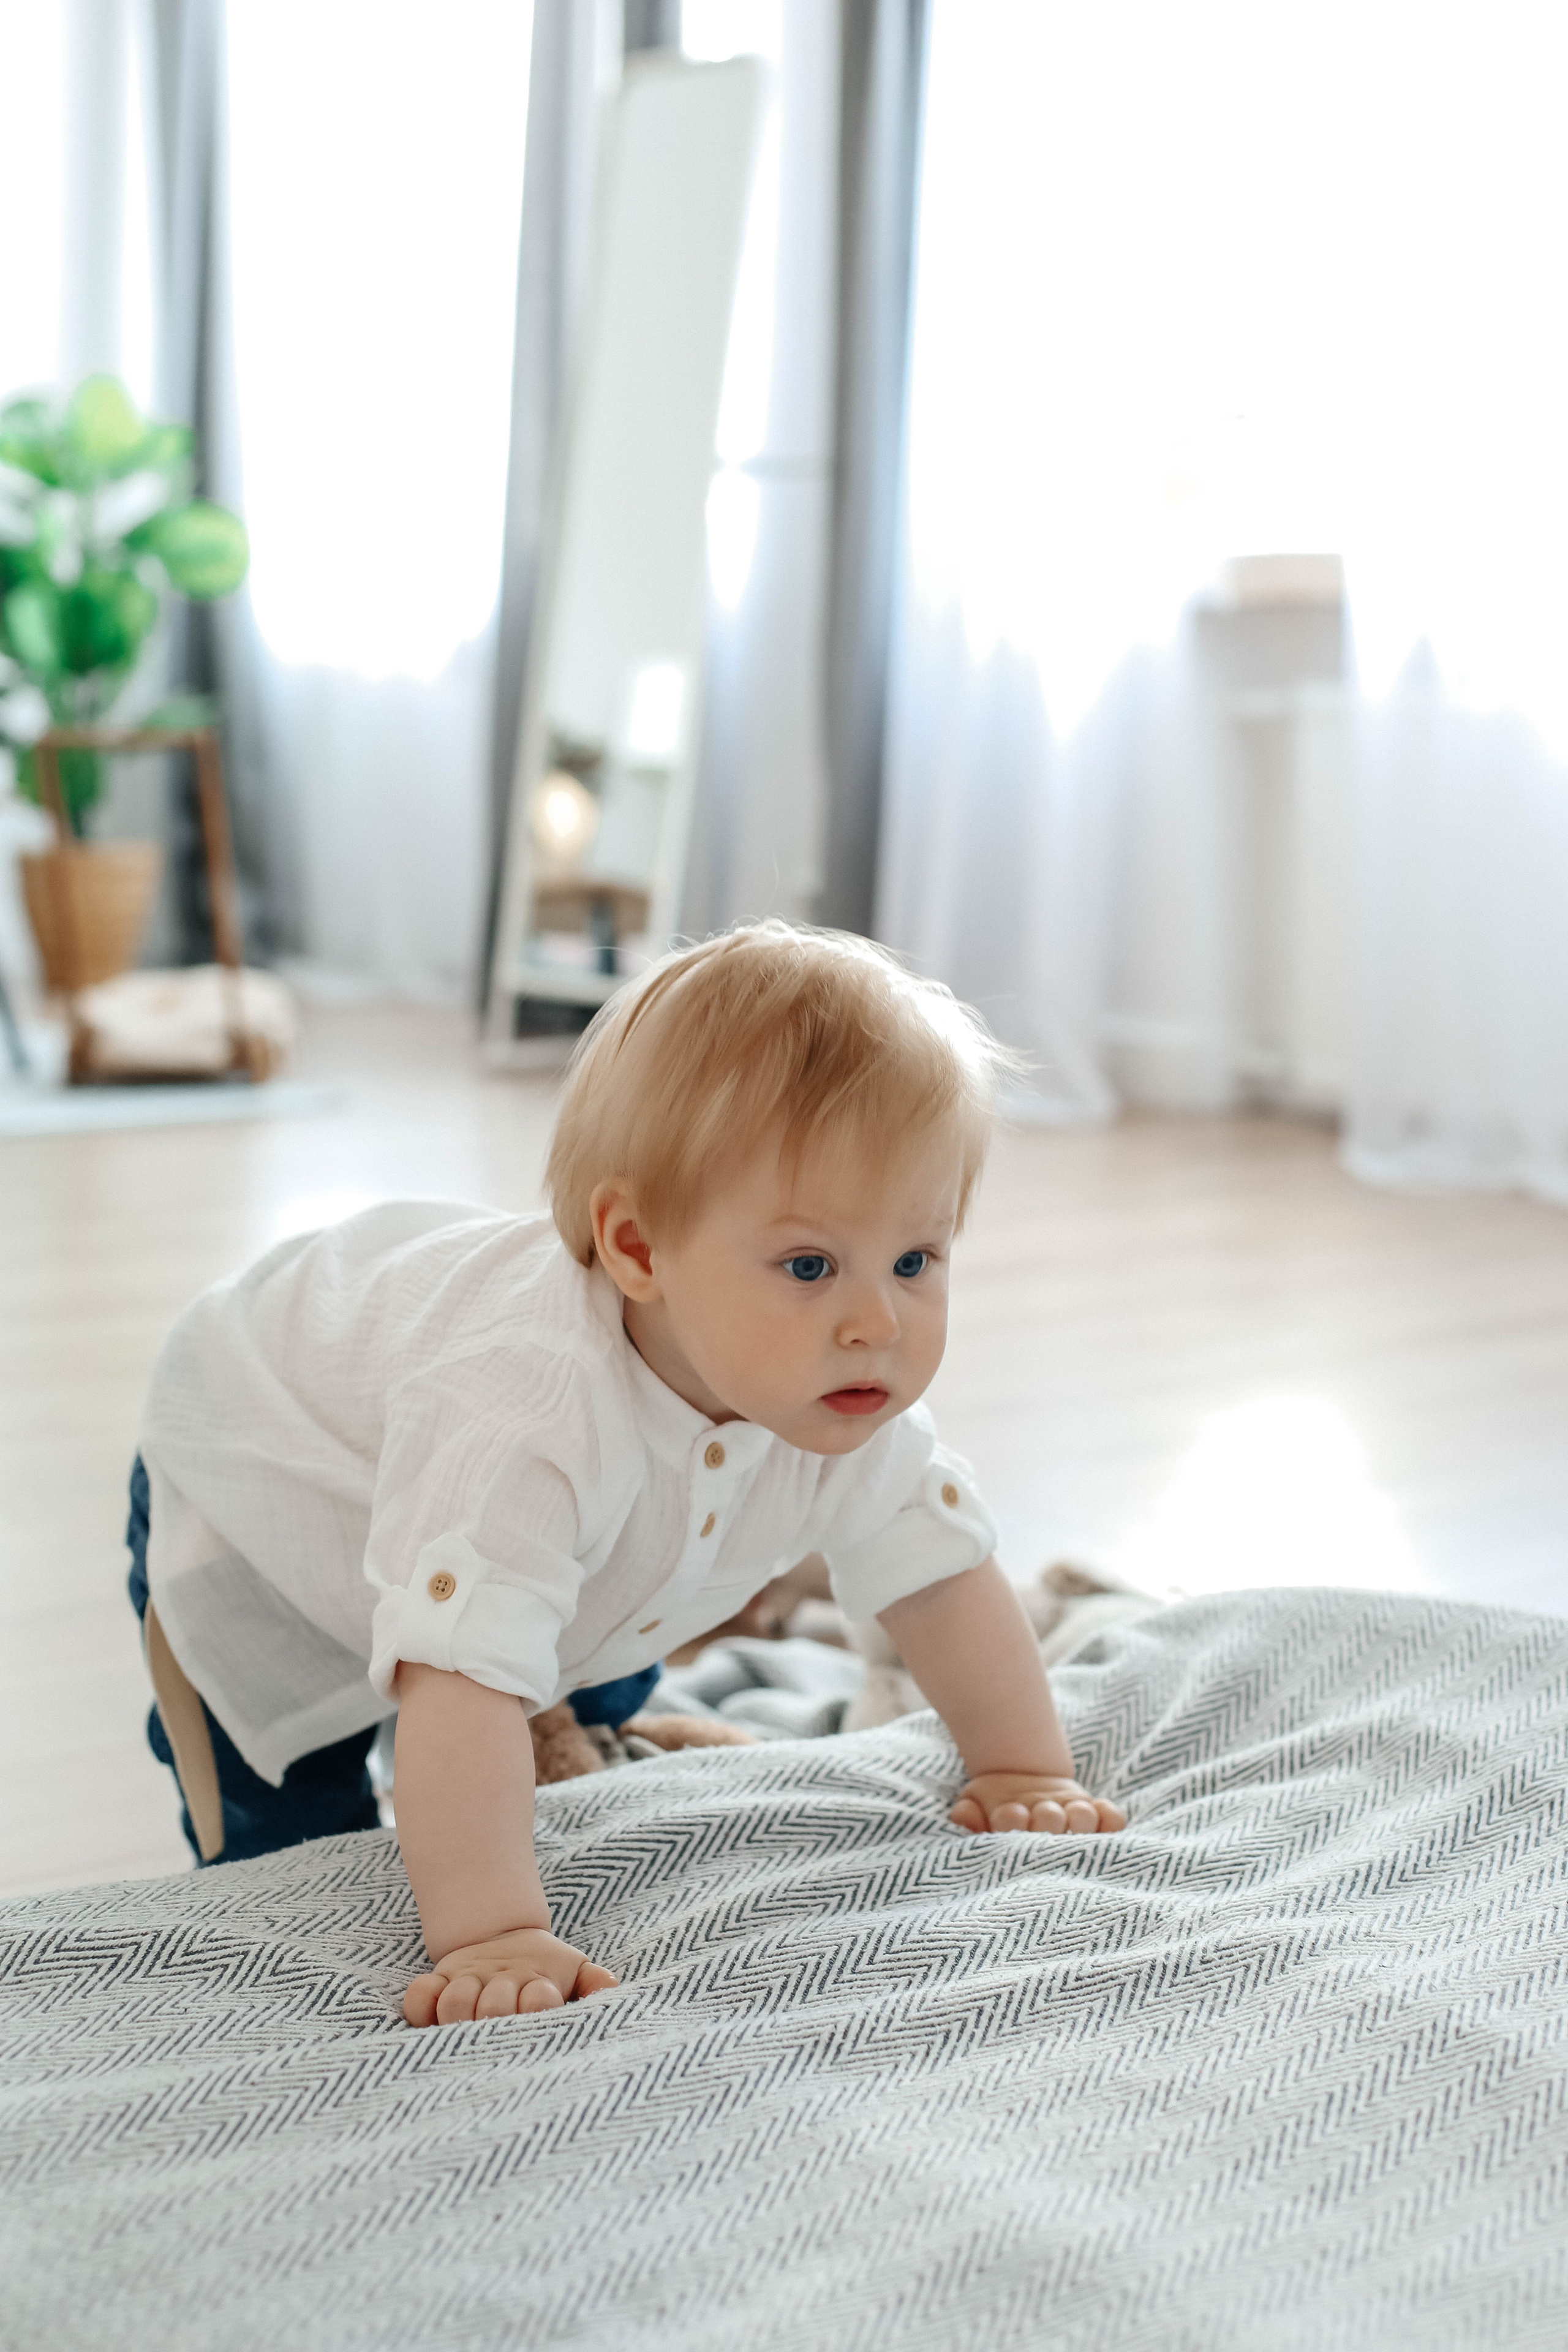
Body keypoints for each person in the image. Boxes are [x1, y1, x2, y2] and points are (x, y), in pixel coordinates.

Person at [130, 922, 1126, 2030]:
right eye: (810, 1266)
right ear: (641, 1251)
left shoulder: (833, 1387)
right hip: (268, 1491)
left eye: (916, 1260)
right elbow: (454, 1696)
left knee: (596, 1610)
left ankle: (565, 1720)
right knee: (292, 1843)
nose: (876, 1322)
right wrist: (494, 1934)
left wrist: (1025, 1771)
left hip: (520, 1514)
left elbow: (942, 1580)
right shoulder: (526, 1415)